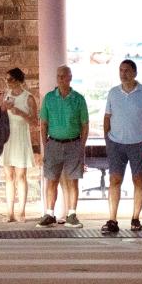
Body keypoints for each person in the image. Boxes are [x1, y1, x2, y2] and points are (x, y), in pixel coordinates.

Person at [102, 58, 142, 233]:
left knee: (138, 179)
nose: (123, 74)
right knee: (114, 180)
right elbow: (107, 116)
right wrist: (107, 138)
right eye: (121, 70)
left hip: (139, 143)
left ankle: (135, 218)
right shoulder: (113, 92)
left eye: (127, 70)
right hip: (116, 143)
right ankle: (112, 220)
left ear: (134, 73)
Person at [38, 65, 88, 228]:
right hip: (53, 143)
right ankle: (49, 214)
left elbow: (85, 124)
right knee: (51, 180)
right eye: (58, 76)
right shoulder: (49, 98)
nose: (60, 79)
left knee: (73, 181)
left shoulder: (79, 99)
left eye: (63, 76)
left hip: (73, 143)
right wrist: (46, 145)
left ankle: (72, 214)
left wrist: (81, 145)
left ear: (70, 78)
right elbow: (43, 123)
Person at [0, 68, 37, 222]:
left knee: (21, 176)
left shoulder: (28, 98)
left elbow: (34, 121)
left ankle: (21, 211)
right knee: (8, 176)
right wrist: (3, 108)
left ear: (18, 80)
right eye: (6, 80)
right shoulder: (5, 95)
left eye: (10, 80)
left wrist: (20, 112)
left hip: (20, 137)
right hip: (7, 137)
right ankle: (9, 212)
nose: (8, 83)